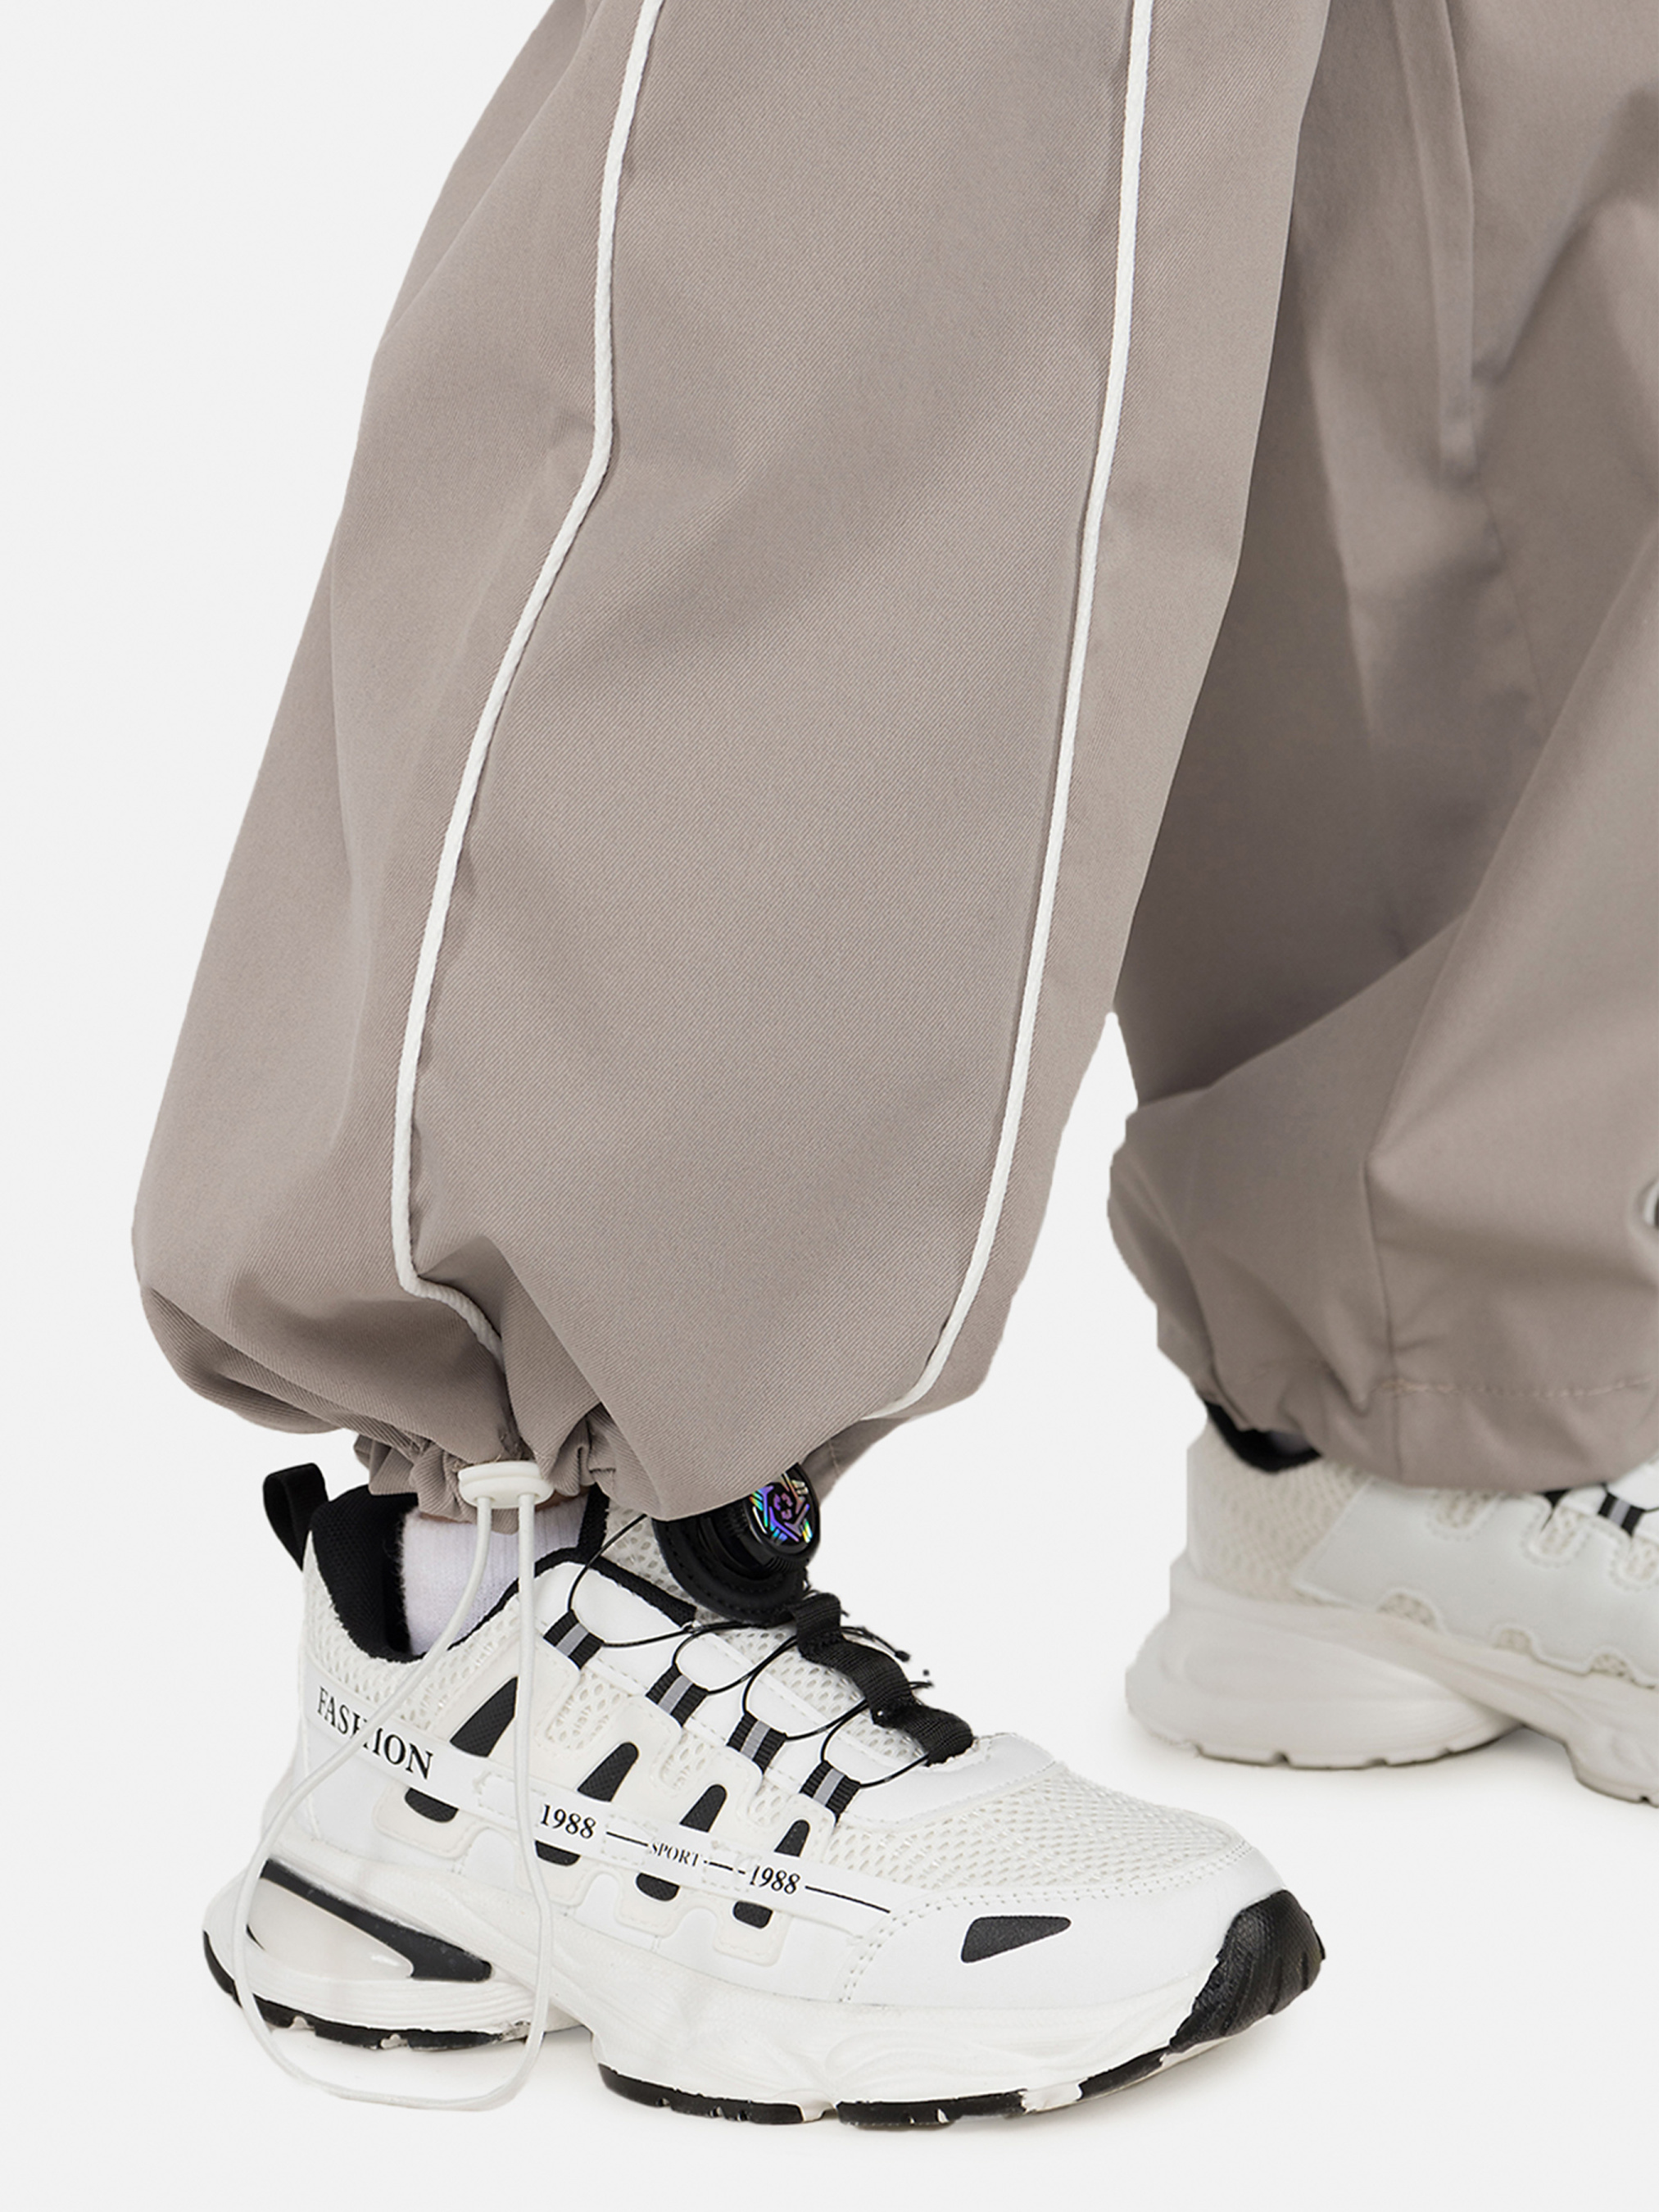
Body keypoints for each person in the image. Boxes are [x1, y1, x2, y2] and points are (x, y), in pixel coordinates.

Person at [134, 0, 1656, 2123]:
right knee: (922, 91)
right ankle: (506, 1604)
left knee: (1492, 89)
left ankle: (1453, 1385)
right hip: (504, 1528)